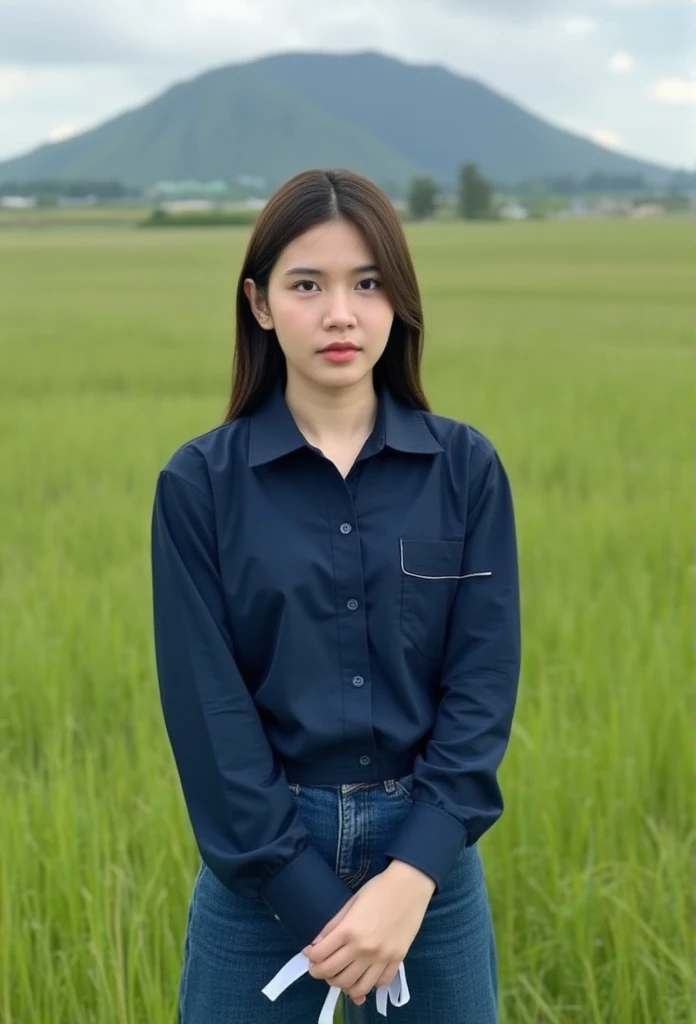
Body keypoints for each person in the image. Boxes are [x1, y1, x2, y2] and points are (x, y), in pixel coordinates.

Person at [150, 167, 522, 1024]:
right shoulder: (200, 485)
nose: (341, 314)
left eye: (367, 283)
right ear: (259, 302)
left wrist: (409, 880)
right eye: (307, 285)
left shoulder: (465, 471)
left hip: (428, 870)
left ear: (399, 299)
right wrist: (318, 905)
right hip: (261, 877)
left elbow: (482, 685)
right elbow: (210, 717)